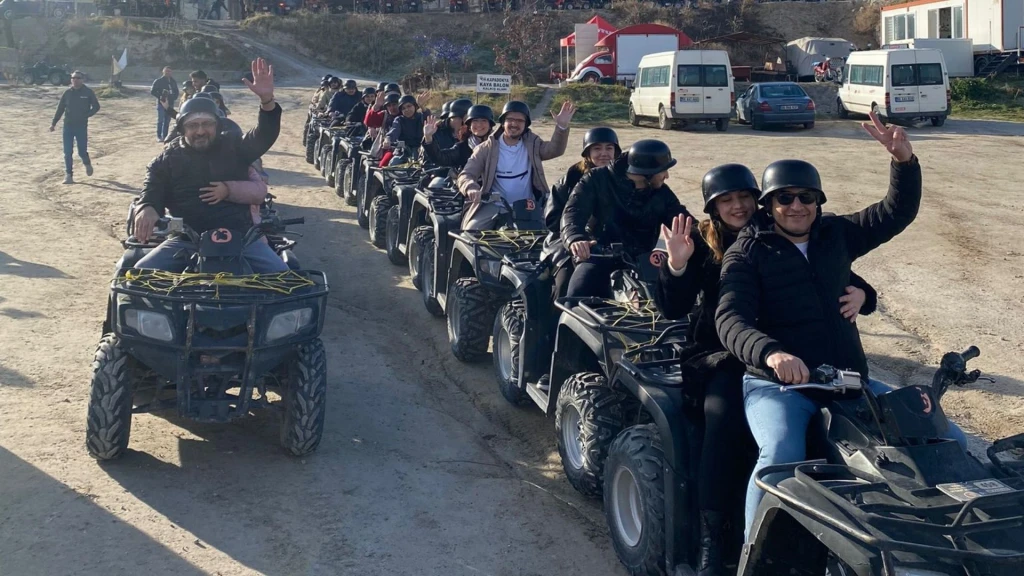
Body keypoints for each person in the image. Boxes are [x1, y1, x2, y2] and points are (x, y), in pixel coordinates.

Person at [713, 111, 968, 541]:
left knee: (950, 437)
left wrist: (904, 163)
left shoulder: (836, 234)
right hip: (779, 387)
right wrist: (772, 354)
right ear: (769, 205)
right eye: (785, 198)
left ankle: (953, 538)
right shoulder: (748, 253)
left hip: (849, 381)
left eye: (807, 198)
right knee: (780, 454)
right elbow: (730, 318)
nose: (797, 206)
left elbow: (894, 213)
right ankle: (754, 551)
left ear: (819, 202)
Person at [656, 164, 877, 576]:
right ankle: (713, 535)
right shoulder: (703, 245)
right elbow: (675, 306)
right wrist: (678, 265)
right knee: (722, 420)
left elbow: (825, 276)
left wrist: (865, 293)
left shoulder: (779, 229)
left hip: (787, 353)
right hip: (723, 352)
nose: (737, 206)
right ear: (713, 207)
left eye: (743, 197)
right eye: (726, 200)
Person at [132, 58, 286, 274]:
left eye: (207, 124)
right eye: (193, 125)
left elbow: (264, 134)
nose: (201, 131)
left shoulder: (235, 146)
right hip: (185, 239)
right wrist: (146, 207)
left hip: (242, 238)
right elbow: (151, 190)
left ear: (218, 125)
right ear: (182, 129)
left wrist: (267, 101)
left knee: (283, 277)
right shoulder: (166, 160)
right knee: (139, 275)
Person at [560, 139, 687, 298]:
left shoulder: (661, 193)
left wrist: (712, 236)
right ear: (646, 173)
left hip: (643, 263)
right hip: (598, 256)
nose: (667, 176)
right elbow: (573, 212)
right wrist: (576, 238)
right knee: (577, 294)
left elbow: (685, 222)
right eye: (663, 171)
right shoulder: (596, 179)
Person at [456, 100, 574, 230]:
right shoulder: (486, 148)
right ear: (503, 122)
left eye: (520, 121)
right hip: (493, 206)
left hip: (528, 206)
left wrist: (561, 127)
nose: (514, 124)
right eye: (510, 119)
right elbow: (466, 174)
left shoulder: (533, 144)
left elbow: (554, 150)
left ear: (526, 124)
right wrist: (471, 188)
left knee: (548, 237)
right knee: (470, 234)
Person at [543, 127, 619, 300]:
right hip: (567, 241)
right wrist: (577, 235)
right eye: (597, 148)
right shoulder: (571, 177)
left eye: (609, 148)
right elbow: (553, 219)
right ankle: (556, 324)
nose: (604, 153)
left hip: (612, 244)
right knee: (566, 283)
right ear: (587, 153)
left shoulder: (624, 178)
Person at [50, 70, 100, 185]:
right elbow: (60, 108)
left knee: (82, 151)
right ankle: (69, 175)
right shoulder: (67, 93)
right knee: (67, 152)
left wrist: (87, 114)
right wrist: (53, 123)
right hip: (68, 126)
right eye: (73, 78)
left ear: (82, 80)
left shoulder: (88, 92)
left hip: (81, 126)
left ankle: (87, 163)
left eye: (78, 78)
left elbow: (96, 106)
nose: (75, 80)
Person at [421, 104, 493, 170]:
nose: (479, 124)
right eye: (475, 121)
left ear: (490, 125)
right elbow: (440, 158)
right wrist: (428, 137)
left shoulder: (498, 145)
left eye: (484, 121)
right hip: (467, 183)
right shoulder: (462, 147)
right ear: (469, 126)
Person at [151, 66, 178, 142]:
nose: (168, 73)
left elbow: (176, 91)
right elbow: (152, 91)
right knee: (160, 120)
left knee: (167, 120)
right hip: (161, 103)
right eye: (166, 71)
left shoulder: (173, 81)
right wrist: (161, 97)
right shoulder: (158, 81)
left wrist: (174, 97)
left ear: (171, 72)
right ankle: (159, 136)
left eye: (169, 71)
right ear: (163, 72)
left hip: (170, 104)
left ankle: (165, 136)